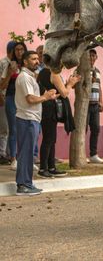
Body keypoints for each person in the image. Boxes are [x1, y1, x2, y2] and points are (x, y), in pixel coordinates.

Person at [14, 51, 58, 195]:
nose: (37, 61)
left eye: (37, 59)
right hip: (26, 119)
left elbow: (35, 98)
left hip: (31, 119)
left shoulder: (30, 77)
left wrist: (48, 96)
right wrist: (45, 97)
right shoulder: (24, 77)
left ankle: (28, 183)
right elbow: (30, 99)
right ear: (25, 62)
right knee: (25, 153)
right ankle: (22, 185)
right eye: (33, 59)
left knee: (27, 154)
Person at [37, 67, 80, 178]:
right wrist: (70, 84)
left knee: (51, 139)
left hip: (46, 107)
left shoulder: (42, 72)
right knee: (49, 139)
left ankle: (51, 167)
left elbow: (54, 90)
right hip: (50, 108)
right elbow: (64, 93)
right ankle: (43, 169)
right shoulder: (53, 73)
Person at [0, 41, 28, 170]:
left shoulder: (28, 64)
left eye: (22, 49)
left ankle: (25, 158)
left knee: (26, 129)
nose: (19, 52)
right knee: (13, 129)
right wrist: (11, 73)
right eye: (17, 49)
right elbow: (2, 86)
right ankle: (13, 159)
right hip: (11, 99)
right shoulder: (9, 65)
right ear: (13, 51)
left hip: (26, 100)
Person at [87, 49, 103, 163]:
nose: (92, 58)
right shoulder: (81, 69)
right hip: (85, 105)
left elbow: (99, 87)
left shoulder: (97, 71)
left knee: (96, 129)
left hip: (95, 105)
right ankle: (81, 155)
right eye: (90, 56)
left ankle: (93, 154)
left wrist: (101, 101)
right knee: (83, 130)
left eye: (94, 56)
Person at [0, 41, 16, 164]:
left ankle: (10, 154)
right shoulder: (3, 63)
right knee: (4, 128)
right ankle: (2, 154)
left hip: (13, 99)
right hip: (3, 98)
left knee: (11, 128)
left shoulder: (17, 64)